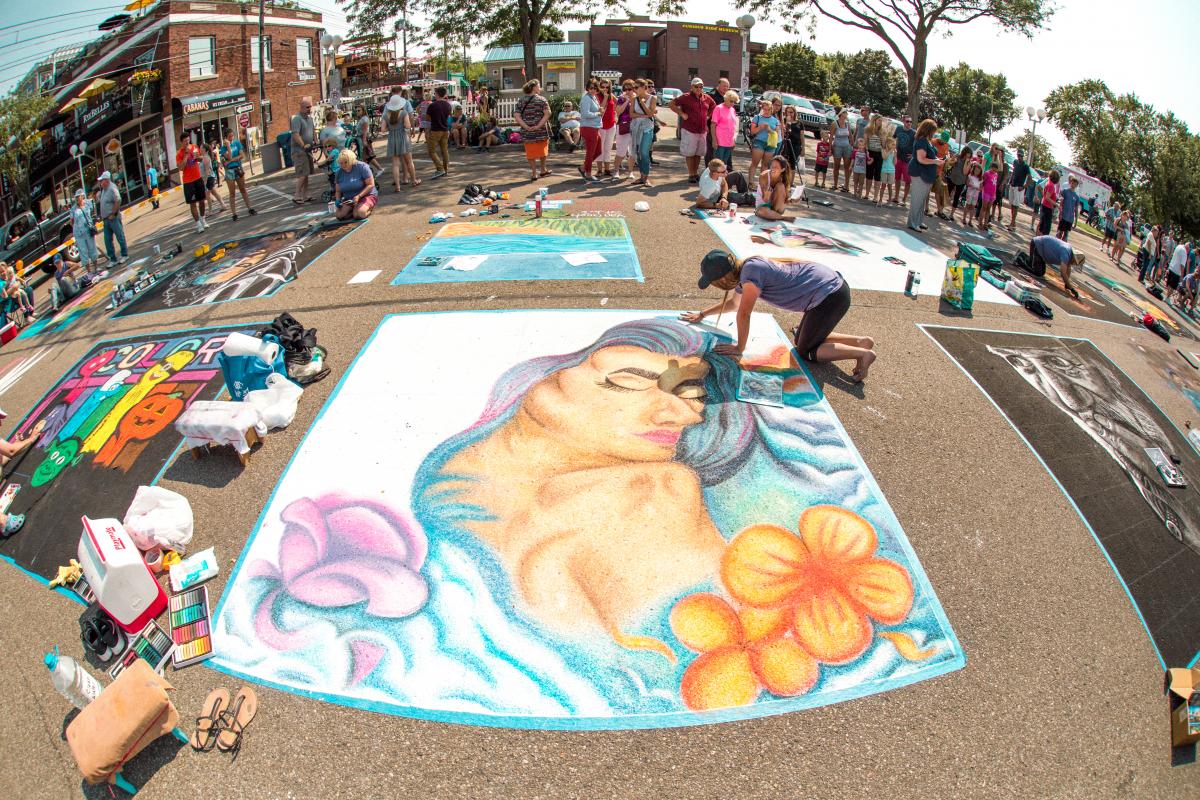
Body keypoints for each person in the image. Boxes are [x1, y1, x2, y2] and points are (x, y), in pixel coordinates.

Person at [683, 249, 877, 382]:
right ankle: (860, 342)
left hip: (829, 297)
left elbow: (744, 314)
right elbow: (734, 304)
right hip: (829, 290)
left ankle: (862, 354)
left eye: (714, 282)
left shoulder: (750, 274)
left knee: (805, 351)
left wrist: (739, 347)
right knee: (802, 337)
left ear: (723, 278)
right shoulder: (747, 269)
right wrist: (702, 314)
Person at [671, 77, 716, 184]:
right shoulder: (685, 97)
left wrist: (708, 116)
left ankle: (695, 173)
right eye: (696, 86)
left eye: (701, 86)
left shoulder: (706, 98)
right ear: (692, 87)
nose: (699, 88)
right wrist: (681, 114)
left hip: (702, 130)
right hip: (689, 129)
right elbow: (671, 104)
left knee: (698, 153)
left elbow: (713, 106)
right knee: (690, 153)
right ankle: (691, 174)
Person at [906, 119, 942, 232]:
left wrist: (937, 159)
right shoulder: (921, 141)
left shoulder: (928, 141)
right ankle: (912, 223)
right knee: (917, 199)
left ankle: (919, 221)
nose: (935, 133)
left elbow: (930, 156)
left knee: (922, 199)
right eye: (933, 131)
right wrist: (935, 162)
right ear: (928, 130)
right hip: (919, 173)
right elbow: (921, 159)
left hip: (927, 175)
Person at [515, 79, 551, 182]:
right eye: (539, 86)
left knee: (530, 152)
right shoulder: (542, 99)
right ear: (534, 88)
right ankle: (543, 169)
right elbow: (547, 113)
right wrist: (539, 125)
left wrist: (525, 126)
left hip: (527, 131)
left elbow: (517, 115)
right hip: (541, 130)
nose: (540, 88)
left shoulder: (521, 100)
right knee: (543, 150)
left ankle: (534, 173)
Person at [382, 94, 419, 189]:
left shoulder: (386, 115)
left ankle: (397, 186)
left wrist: (391, 129)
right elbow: (407, 126)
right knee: (409, 161)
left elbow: (383, 130)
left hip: (392, 138)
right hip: (403, 137)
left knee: (395, 164)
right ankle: (414, 180)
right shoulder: (403, 113)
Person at [93, 171, 128, 265]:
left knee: (120, 236)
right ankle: (113, 259)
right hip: (106, 219)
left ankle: (124, 254)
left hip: (113, 218)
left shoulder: (112, 188)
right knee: (107, 240)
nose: (100, 183)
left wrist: (114, 213)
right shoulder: (104, 190)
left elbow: (118, 200)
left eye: (101, 181)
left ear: (107, 180)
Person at [332, 149, 377, 221]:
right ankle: (353, 210)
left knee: (359, 214)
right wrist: (338, 200)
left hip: (366, 195)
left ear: (351, 160)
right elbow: (338, 191)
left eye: (346, 162)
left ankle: (367, 209)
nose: (343, 165)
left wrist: (359, 196)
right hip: (349, 199)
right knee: (340, 216)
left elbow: (371, 185)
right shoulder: (338, 172)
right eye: (341, 163)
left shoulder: (362, 167)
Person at [629, 79, 657, 188]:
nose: (634, 90)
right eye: (634, 88)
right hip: (636, 128)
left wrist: (641, 102)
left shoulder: (652, 98)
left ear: (644, 88)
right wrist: (643, 115)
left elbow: (650, 113)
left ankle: (646, 177)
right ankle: (642, 176)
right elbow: (631, 114)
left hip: (647, 128)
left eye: (636, 87)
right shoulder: (634, 99)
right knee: (638, 153)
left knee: (644, 153)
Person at [290, 97, 316, 205]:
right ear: (301, 107)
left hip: (308, 149)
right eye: (307, 107)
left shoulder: (309, 119)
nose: (309, 109)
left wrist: (315, 140)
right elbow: (295, 134)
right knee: (302, 173)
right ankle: (297, 195)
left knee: (307, 172)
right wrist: (303, 145)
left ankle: (305, 195)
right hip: (299, 150)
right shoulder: (297, 119)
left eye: (310, 107)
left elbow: (313, 130)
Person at [755, 155, 795, 222]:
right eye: (772, 166)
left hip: (777, 207)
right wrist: (767, 195)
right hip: (764, 206)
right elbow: (765, 200)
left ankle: (774, 215)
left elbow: (785, 200)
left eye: (776, 167)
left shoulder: (784, 178)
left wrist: (793, 200)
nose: (773, 169)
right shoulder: (764, 176)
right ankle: (782, 218)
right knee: (763, 211)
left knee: (780, 186)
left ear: (782, 169)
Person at [69, 188, 99, 277]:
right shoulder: (73, 209)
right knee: (83, 252)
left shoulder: (88, 203)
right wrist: (77, 228)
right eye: (77, 197)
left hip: (88, 230)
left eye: (80, 197)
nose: (78, 199)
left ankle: (96, 268)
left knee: (92, 249)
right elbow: (71, 221)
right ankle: (89, 271)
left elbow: (92, 213)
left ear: (83, 196)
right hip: (79, 234)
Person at [578, 79, 603, 181]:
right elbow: (585, 114)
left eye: (595, 88)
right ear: (587, 88)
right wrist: (598, 113)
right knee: (591, 152)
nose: (593, 90)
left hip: (594, 127)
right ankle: (588, 173)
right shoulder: (586, 99)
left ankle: (583, 167)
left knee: (598, 151)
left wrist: (599, 111)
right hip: (588, 128)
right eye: (591, 88)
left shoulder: (593, 97)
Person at [748, 98, 778, 184]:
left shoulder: (775, 120)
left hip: (770, 144)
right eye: (764, 109)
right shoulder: (757, 118)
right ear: (762, 109)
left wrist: (769, 130)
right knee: (755, 163)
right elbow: (752, 131)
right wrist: (760, 127)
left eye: (768, 109)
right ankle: (751, 183)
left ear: (771, 110)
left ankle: (762, 184)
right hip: (759, 142)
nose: (766, 111)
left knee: (765, 165)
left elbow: (776, 134)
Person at [426, 86, 452, 178]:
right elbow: (449, 115)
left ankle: (440, 168)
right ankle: (445, 169)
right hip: (445, 129)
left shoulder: (432, 105)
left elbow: (427, 118)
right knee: (444, 150)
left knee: (431, 150)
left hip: (435, 130)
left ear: (437, 94)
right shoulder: (448, 105)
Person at [710, 90, 738, 171]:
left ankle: (722, 180)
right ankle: (714, 180)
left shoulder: (733, 110)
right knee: (717, 163)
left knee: (724, 164)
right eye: (731, 101)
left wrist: (733, 139)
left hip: (729, 142)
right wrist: (714, 140)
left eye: (734, 102)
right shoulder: (718, 108)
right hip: (720, 141)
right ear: (725, 99)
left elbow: (734, 125)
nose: (733, 103)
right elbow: (713, 125)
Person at [705, 77, 730, 164]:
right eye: (724, 86)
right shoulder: (711, 96)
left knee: (722, 154)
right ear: (718, 86)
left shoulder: (727, 98)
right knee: (711, 153)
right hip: (712, 128)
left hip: (724, 132)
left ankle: (721, 172)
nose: (726, 88)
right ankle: (709, 172)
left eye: (727, 86)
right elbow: (705, 112)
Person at [613, 82, 635, 178]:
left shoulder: (637, 98)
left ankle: (630, 172)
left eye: (629, 89)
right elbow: (618, 112)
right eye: (625, 89)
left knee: (632, 152)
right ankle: (616, 171)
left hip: (635, 127)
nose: (627, 91)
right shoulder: (621, 99)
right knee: (621, 151)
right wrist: (626, 101)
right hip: (623, 126)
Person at [356, 104, 384, 178]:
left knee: (368, 156)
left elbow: (365, 131)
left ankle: (379, 168)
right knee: (366, 157)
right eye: (356, 111)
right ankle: (368, 172)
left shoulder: (364, 119)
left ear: (363, 110)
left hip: (364, 139)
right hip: (361, 139)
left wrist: (364, 141)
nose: (357, 112)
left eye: (359, 110)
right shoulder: (362, 118)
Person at [597, 79, 618, 179]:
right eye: (603, 86)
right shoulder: (597, 96)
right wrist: (605, 97)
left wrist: (616, 115)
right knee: (600, 148)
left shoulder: (612, 95)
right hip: (601, 125)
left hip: (611, 125)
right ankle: (599, 170)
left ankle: (607, 169)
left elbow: (618, 104)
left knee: (608, 148)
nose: (605, 89)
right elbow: (601, 108)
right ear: (600, 86)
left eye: (607, 87)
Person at [1007, 148, 1031, 231]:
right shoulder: (1015, 162)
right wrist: (1010, 180)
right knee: (1012, 204)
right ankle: (1012, 222)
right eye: (1018, 155)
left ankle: (1012, 223)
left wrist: (1024, 186)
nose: (1019, 156)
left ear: (1023, 156)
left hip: (1019, 187)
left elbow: (1029, 178)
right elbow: (1014, 171)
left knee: (1016, 205)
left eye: (1020, 155)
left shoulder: (1025, 166)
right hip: (1013, 184)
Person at [829, 109, 853, 193]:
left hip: (847, 147)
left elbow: (850, 135)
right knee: (837, 166)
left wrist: (853, 146)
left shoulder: (847, 124)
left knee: (847, 166)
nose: (846, 114)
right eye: (845, 113)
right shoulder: (834, 123)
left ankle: (846, 185)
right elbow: (831, 137)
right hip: (837, 146)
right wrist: (830, 149)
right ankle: (835, 184)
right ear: (841, 114)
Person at [863, 114, 885, 202]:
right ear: (874, 120)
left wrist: (883, 140)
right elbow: (866, 142)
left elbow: (884, 146)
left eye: (881, 120)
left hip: (879, 154)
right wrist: (867, 152)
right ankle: (867, 194)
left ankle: (876, 196)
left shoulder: (882, 131)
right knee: (869, 174)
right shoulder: (868, 129)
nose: (880, 122)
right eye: (879, 120)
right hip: (870, 153)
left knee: (878, 176)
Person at [894, 115, 915, 206]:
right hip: (898, 157)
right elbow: (893, 138)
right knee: (897, 178)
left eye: (910, 122)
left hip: (907, 160)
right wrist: (893, 149)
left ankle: (904, 199)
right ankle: (896, 197)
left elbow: (918, 145)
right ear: (903, 121)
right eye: (907, 121)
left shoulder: (914, 133)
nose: (909, 123)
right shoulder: (898, 129)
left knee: (907, 181)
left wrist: (913, 155)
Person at [979, 158, 1000, 237]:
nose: (994, 171)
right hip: (986, 192)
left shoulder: (996, 175)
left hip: (992, 194)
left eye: (995, 170)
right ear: (990, 167)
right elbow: (982, 181)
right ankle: (980, 222)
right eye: (993, 169)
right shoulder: (987, 173)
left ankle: (985, 223)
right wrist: (981, 188)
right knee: (983, 207)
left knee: (988, 209)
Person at [1167, 240, 1191, 304]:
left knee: (1169, 284)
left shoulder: (1178, 246)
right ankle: (1167, 298)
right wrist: (1182, 275)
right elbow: (1182, 265)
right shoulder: (1184, 253)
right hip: (1177, 271)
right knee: (1172, 286)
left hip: (1171, 267)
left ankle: (1167, 296)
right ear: (1188, 249)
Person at [1057, 175, 1080, 241]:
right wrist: (1060, 213)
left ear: (1076, 185)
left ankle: (1062, 247)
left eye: (1075, 184)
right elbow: (1060, 200)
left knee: (1066, 234)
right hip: (1063, 216)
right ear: (1070, 183)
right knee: (1059, 233)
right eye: (1072, 183)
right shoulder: (1065, 191)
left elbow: (1076, 209)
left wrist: (1075, 220)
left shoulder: (1076, 197)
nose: (1073, 185)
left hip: (1070, 218)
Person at [1038, 169, 1060, 236]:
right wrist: (1056, 204)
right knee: (1046, 229)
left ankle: (1037, 241)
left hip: (1045, 206)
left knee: (1042, 226)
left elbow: (1045, 195)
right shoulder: (1051, 185)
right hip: (1047, 208)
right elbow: (1047, 197)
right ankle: (1040, 243)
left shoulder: (1048, 183)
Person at [962, 162, 983, 227]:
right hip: (970, 193)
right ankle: (964, 218)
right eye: (976, 170)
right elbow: (967, 183)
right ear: (973, 170)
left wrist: (978, 188)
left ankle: (970, 220)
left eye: (978, 171)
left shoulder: (981, 179)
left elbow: (981, 187)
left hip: (976, 194)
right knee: (967, 205)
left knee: (973, 207)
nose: (977, 172)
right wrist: (972, 185)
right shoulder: (970, 176)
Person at [878, 137, 897, 205]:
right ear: (888, 144)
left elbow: (895, 163)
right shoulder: (883, 150)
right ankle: (880, 200)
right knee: (883, 185)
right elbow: (884, 157)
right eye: (893, 144)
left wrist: (895, 155)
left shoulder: (894, 152)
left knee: (890, 186)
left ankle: (889, 200)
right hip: (884, 170)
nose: (894, 146)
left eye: (894, 144)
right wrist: (890, 151)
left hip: (891, 171)